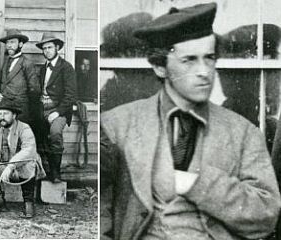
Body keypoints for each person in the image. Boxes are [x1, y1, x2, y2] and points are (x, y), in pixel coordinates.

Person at [100, 3, 281, 239]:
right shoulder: (117, 126)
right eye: (189, 60)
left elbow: (266, 216)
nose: (204, 71)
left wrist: (198, 182)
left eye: (209, 58)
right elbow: (101, 215)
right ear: (160, 67)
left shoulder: (242, 132)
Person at [0, 100, 46, 218]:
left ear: (14, 115)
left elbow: (28, 150)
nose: (2, 117)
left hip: (21, 169)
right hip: (3, 168)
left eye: (5, 114)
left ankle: (28, 202)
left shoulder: (24, 128)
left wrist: (11, 166)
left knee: (29, 161)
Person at [35, 32, 77, 183]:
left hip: (59, 110)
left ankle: (56, 173)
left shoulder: (66, 68)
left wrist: (57, 112)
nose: (47, 51)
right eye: (44, 48)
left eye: (50, 47)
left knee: (55, 133)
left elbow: (71, 96)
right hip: (41, 109)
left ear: (57, 47)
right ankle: (43, 172)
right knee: (37, 135)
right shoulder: (43, 69)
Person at [0, 29, 40, 123]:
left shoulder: (27, 64)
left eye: (12, 42)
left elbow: (34, 90)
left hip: (20, 110)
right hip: (4, 107)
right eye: (7, 42)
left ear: (20, 44)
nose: (9, 45)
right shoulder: (6, 62)